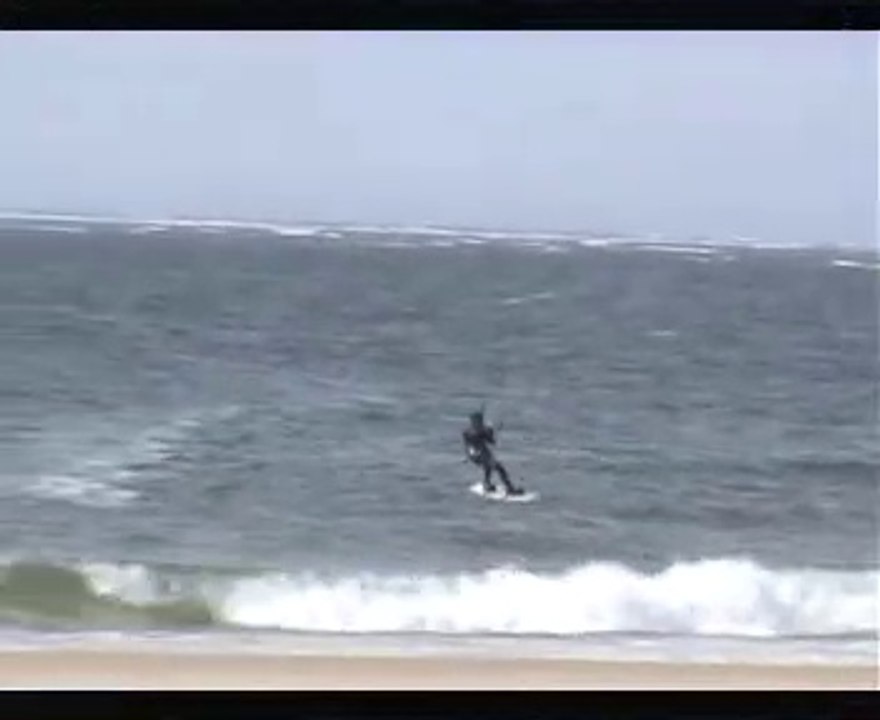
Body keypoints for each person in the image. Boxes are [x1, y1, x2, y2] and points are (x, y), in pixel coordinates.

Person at [462, 409, 521, 495]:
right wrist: (490, 431)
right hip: (479, 454)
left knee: (488, 467)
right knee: (499, 468)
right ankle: (510, 489)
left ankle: (487, 484)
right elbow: (491, 441)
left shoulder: (468, 431)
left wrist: (489, 431)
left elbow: (489, 440)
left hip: (479, 453)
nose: (480, 422)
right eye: (479, 421)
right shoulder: (475, 432)